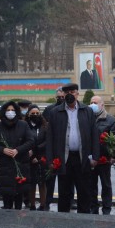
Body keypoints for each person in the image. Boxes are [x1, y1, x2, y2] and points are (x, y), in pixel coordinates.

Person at [46, 83, 99, 213]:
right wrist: (50, 160)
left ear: (77, 93)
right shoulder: (55, 112)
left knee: (84, 192)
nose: (70, 94)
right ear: (63, 95)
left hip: (83, 157)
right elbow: (50, 138)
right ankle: (64, 222)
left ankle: (84, 220)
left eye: (73, 92)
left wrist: (95, 157)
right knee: (64, 192)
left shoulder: (87, 111)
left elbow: (94, 135)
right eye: (67, 92)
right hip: (64, 157)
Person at [0, 101, 34, 210]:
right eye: (8, 110)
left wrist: (18, 150)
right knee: (7, 196)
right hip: (4, 166)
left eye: (13, 110)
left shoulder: (23, 125)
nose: (10, 112)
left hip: (20, 164)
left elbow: (30, 141)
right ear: (3, 112)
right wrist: (2, 150)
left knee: (19, 195)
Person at [90, 95, 115, 215]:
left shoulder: (110, 120)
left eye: (95, 102)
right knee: (91, 185)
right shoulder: (86, 118)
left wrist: (113, 156)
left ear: (102, 105)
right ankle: (93, 207)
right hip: (90, 158)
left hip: (104, 158)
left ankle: (106, 208)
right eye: (91, 102)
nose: (93, 104)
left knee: (106, 184)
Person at [42, 86, 65, 208]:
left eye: (63, 97)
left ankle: (68, 201)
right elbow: (44, 126)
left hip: (64, 148)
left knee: (66, 178)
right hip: (52, 147)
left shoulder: (69, 109)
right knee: (49, 178)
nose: (61, 99)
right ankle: (47, 201)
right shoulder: (49, 109)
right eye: (59, 97)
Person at [26, 105, 48, 211]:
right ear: (28, 114)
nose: (35, 115)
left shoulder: (45, 126)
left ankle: (43, 205)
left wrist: (36, 150)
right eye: (32, 113)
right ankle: (32, 204)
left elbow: (48, 141)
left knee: (42, 182)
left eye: (37, 113)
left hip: (42, 157)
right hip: (28, 157)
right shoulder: (24, 125)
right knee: (31, 182)